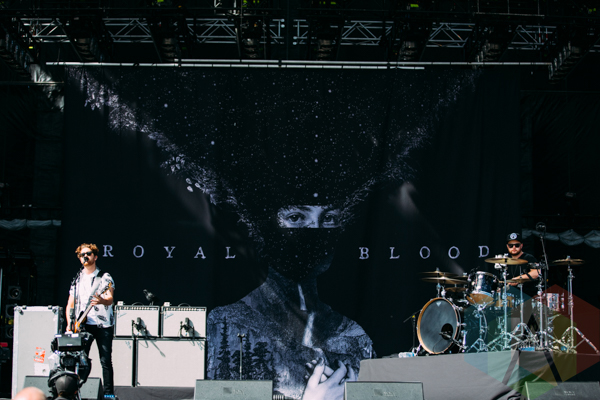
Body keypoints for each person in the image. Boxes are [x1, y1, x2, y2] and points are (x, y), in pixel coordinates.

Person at [65, 243, 116, 399]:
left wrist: (101, 301)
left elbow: (110, 299)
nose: (85, 257)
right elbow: (70, 304)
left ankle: (108, 393)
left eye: (88, 254)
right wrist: (69, 323)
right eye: (82, 255)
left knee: (105, 360)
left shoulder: (105, 277)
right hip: (83, 325)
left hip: (102, 325)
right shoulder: (77, 279)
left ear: (95, 256)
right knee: (80, 359)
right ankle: (75, 391)